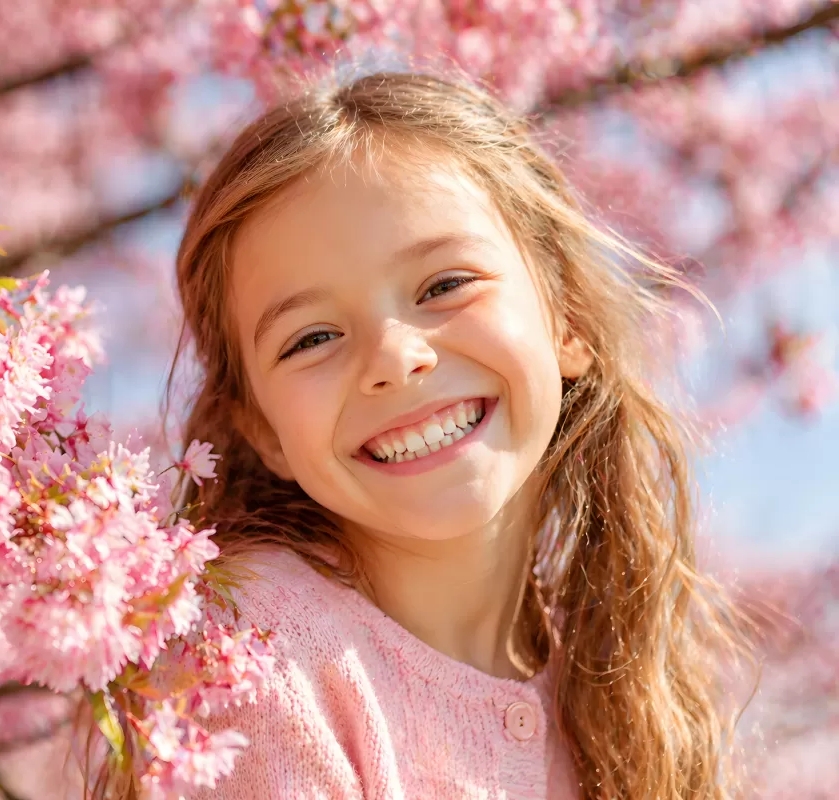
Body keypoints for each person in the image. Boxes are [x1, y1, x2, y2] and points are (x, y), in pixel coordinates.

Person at [165, 70, 758, 799]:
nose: (394, 358)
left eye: (444, 286)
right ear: (264, 432)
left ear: (565, 316)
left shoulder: (614, 685)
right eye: (312, 337)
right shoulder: (255, 649)